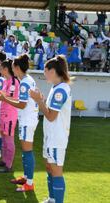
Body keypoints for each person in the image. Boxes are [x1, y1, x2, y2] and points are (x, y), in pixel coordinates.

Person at [30, 55, 72, 203]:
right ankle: (52, 199)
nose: (44, 74)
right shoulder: (56, 88)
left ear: (53, 71)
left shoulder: (61, 90)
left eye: (45, 70)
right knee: (49, 167)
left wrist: (38, 100)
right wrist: (41, 100)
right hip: (51, 136)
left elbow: (51, 116)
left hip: (57, 138)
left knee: (56, 172)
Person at [0, 54, 39, 191]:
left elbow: (22, 105)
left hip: (28, 120)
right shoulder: (27, 80)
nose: (12, 70)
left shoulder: (25, 82)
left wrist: (5, 98)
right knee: (25, 151)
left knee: (27, 151)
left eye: (12, 67)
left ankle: (30, 183)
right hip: (28, 119)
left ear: (16, 68)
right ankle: (26, 178)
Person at [0, 60, 19, 173]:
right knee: (4, 139)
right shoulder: (6, 81)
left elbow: (7, 97)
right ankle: (4, 160)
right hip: (4, 113)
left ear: (5, 69)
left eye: (0, 68)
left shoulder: (13, 82)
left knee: (9, 140)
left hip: (9, 114)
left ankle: (9, 165)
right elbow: (0, 96)